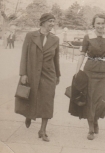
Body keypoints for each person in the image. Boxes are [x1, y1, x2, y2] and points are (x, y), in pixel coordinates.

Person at [15, 13, 60, 142]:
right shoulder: (30, 36)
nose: (52, 24)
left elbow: (56, 59)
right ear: (42, 22)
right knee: (31, 97)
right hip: (32, 73)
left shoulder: (55, 39)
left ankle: (43, 130)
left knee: (47, 101)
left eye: (53, 21)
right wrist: (23, 73)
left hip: (49, 74)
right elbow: (24, 55)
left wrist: (57, 75)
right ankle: (29, 115)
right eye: (50, 21)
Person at [75, 13, 105, 140]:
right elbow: (82, 54)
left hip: (103, 73)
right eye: (98, 23)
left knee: (101, 100)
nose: (100, 26)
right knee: (90, 100)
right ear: (94, 24)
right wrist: (77, 71)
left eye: (102, 23)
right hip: (89, 72)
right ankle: (91, 127)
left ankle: (96, 119)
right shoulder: (88, 37)